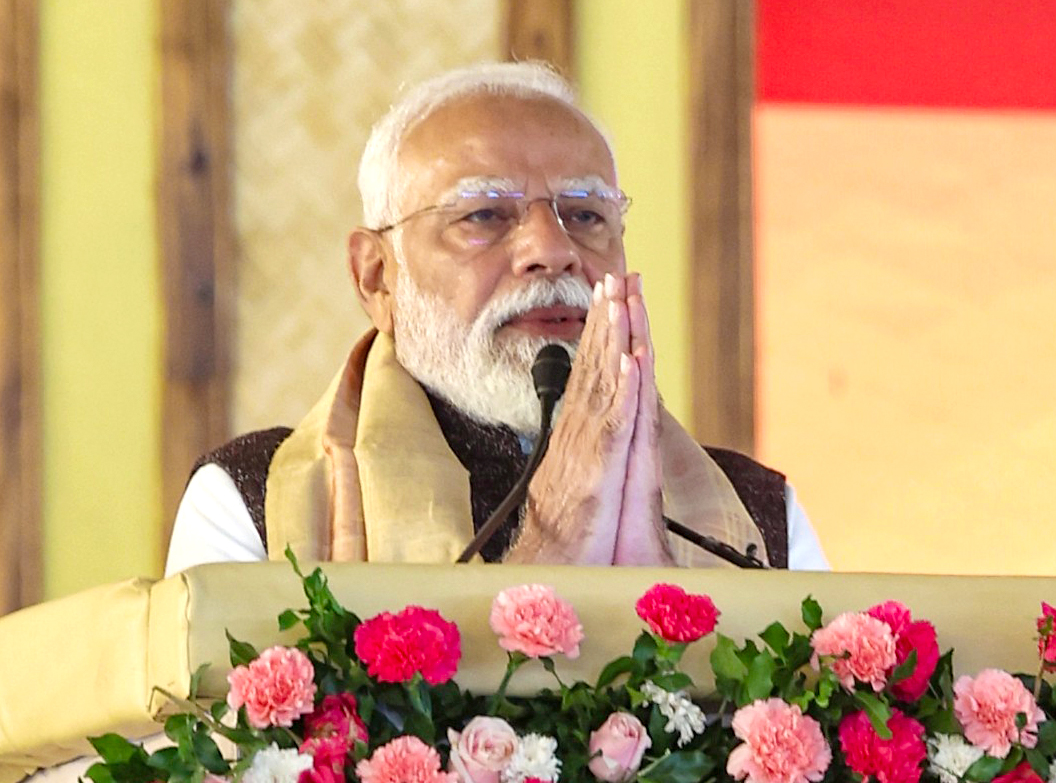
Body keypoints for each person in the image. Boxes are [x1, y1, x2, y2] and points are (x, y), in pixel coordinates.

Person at [165, 61, 827, 576]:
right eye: (484, 214)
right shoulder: (254, 505)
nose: (553, 250)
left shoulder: (759, 521)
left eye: (588, 215)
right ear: (376, 277)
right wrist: (555, 541)